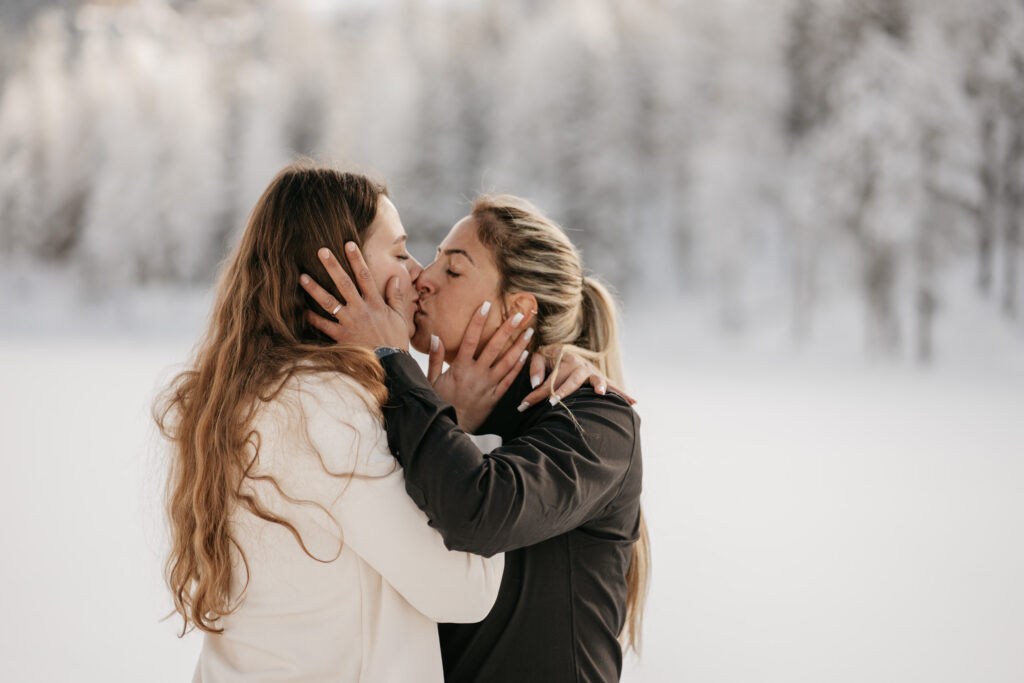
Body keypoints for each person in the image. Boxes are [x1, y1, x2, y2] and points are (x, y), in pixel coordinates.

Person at [154, 163, 506, 683]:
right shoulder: (320, 408)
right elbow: (463, 592)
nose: (416, 274)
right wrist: (465, 430)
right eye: (399, 251)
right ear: (343, 272)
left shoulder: (253, 391)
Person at [302, 193, 650, 683]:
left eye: (454, 269)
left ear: (519, 309)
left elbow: (479, 510)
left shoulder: (595, 421)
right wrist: (448, 415)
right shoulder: (431, 415)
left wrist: (391, 357)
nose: (423, 278)